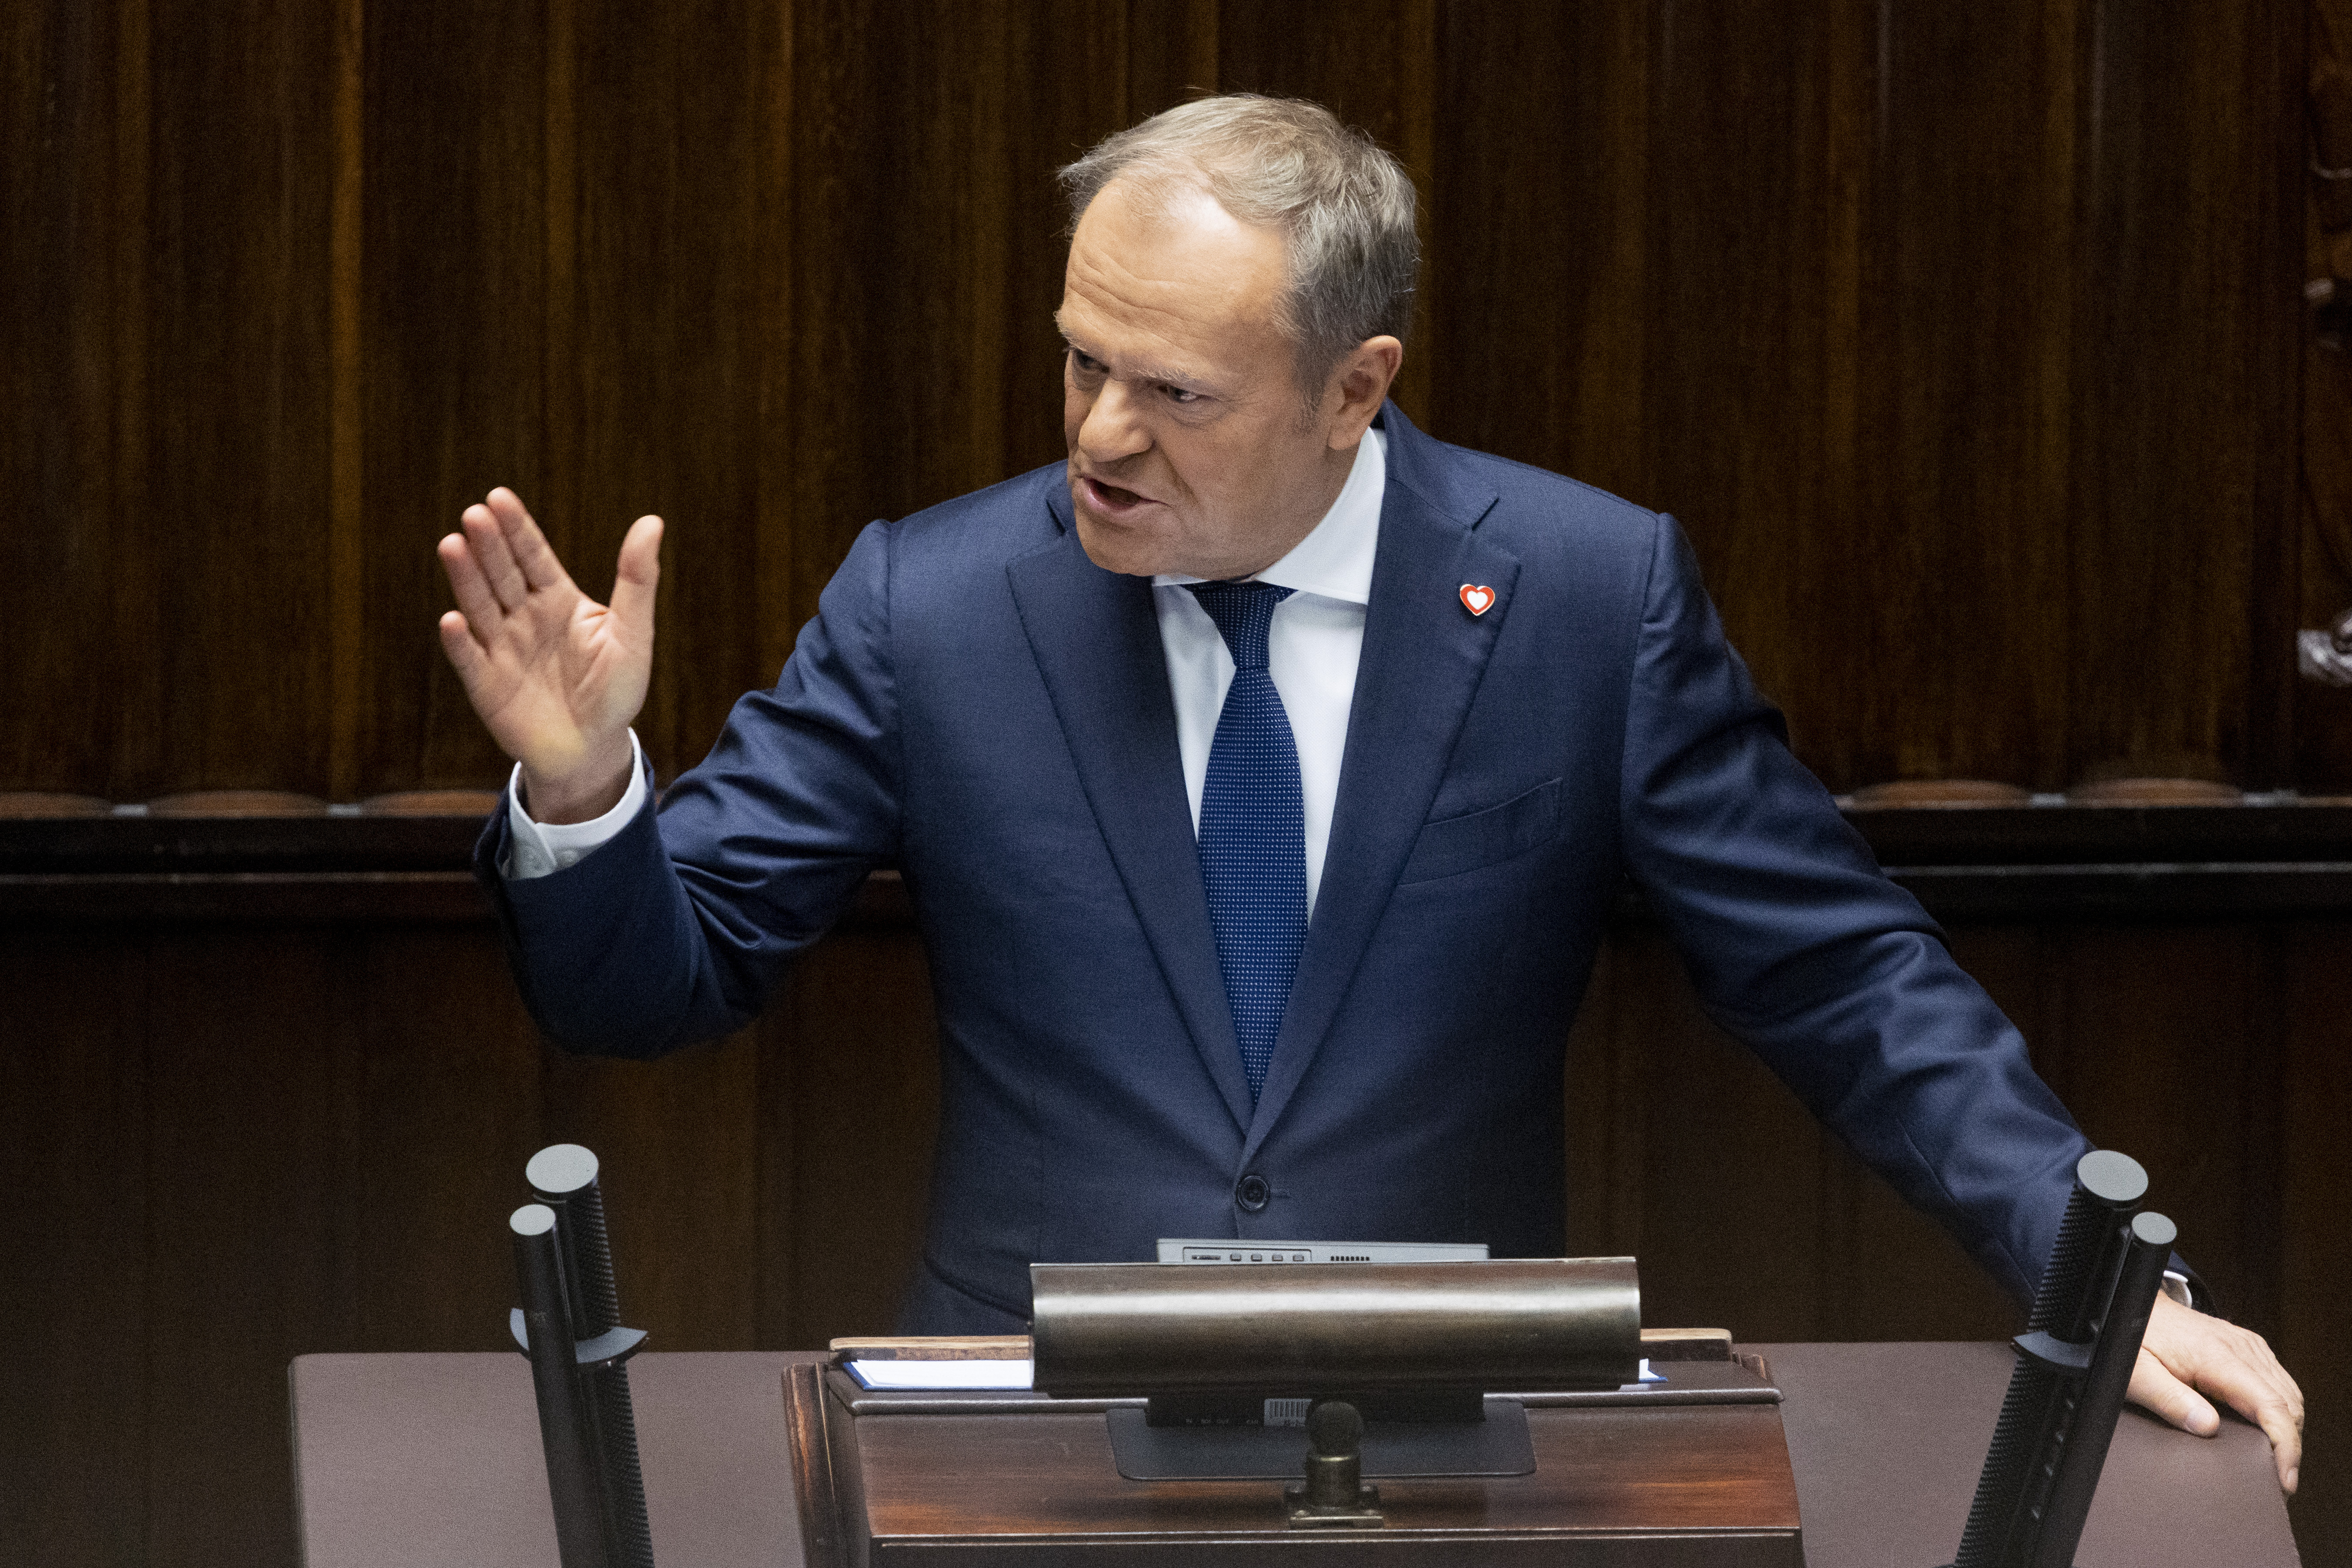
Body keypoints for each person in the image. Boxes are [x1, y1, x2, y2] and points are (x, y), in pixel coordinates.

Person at [436, 95, 2302, 1490]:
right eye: (1079, 362)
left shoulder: (1583, 596)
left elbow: (1840, 979)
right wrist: (588, 780)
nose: (1094, 434)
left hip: (1449, 1434)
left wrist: (2101, 1273)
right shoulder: (933, 601)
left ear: (1354, 388)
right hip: (1019, 1448)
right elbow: (641, 987)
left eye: (1171, 390)